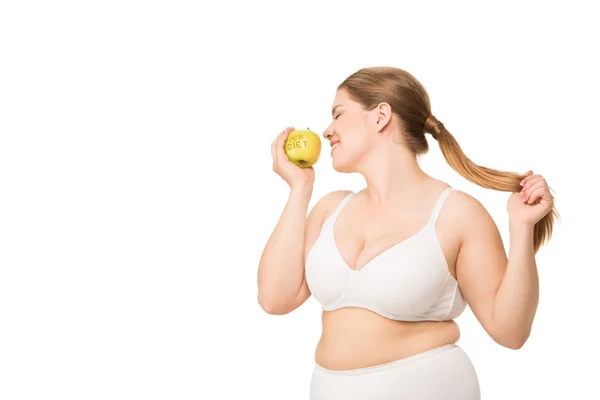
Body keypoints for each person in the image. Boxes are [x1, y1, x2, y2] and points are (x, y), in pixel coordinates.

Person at [257, 66, 558, 400]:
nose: (327, 131)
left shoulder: (455, 213)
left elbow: (511, 332)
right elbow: (274, 299)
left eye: (338, 114)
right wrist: (300, 189)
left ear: (381, 115)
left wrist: (521, 227)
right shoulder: (330, 208)